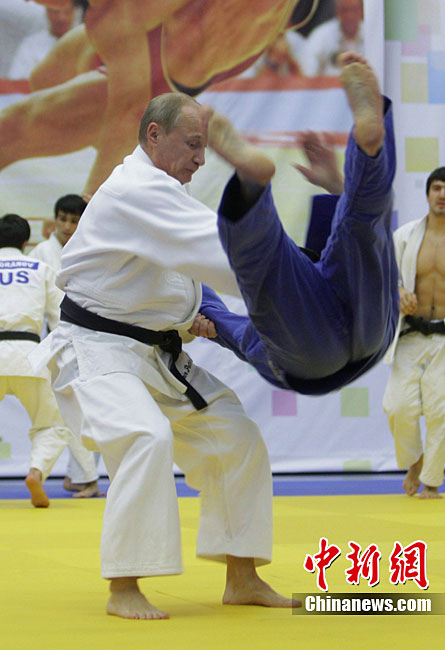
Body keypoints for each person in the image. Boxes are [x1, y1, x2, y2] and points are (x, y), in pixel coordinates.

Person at [30, 91, 294, 620]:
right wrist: (309, 282)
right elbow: (220, 255)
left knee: (236, 437)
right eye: (193, 144)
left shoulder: (164, 191)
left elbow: (174, 276)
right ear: (155, 135)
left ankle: (242, 576)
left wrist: (187, 315)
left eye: (205, 146)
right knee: (145, 438)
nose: (201, 158)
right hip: (99, 349)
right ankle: (123, 586)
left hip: (154, 353)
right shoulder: (137, 188)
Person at [196, 52, 399, 396]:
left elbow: (218, 317)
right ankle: (367, 155)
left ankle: (254, 186)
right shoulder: (287, 296)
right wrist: (336, 184)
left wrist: (199, 313)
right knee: (362, 228)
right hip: (373, 316)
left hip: (326, 353)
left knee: (271, 266)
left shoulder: (264, 328)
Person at [0, 0, 318, 199]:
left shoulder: (120, 17)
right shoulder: (300, 10)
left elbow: (132, 111)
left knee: (10, 131)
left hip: (163, 70)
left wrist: (87, 209)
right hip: (175, 56)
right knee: (44, 79)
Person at [0, 213, 73, 507]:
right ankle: (36, 471)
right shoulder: (40, 268)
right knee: (51, 424)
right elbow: (60, 320)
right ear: (25, 242)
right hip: (28, 355)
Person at [31, 193, 101, 498]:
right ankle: (85, 478)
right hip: (58, 339)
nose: (68, 226)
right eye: (63, 219)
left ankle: (80, 476)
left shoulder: (91, 247)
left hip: (92, 335)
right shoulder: (41, 252)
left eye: (74, 220)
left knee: (91, 409)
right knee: (72, 410)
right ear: (55, 219)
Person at [383, 168, 445, 499]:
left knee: (440, 411)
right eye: (437, 188)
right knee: (397, 406)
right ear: (428, 194)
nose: (442, 195)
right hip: (410, 333)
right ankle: (415, 461)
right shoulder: (404, 236)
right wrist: (398, 291)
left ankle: (432, 482)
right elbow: (383, 277)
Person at [8, 0, 77, 79]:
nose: (61, 17)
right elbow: (16, 79)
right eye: (56, 12)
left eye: (67, 12)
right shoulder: (31, 45)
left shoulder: (84, 42)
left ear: (74, 12)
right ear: (47, 12)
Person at [302, 0, 364, 77]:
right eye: (345, 10)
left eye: (354, 10)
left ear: (362, 11)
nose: (350, 16)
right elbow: (307, 73)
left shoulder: (371, 34)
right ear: (337, 11)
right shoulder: (321, 36)